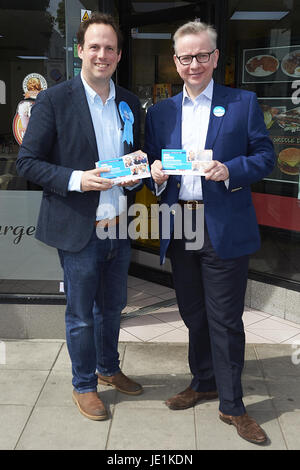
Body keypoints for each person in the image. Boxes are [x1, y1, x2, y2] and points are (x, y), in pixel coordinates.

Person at [144, 21, 275, 445]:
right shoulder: (160, 111)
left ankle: (233, 405)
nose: (194, 63)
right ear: (176, 62)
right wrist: (156, 174)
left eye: (202, 55)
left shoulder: (243, 102)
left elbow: (265, 157)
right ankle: (203, 381)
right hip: (181, 224)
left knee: (225, 318)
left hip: (224, 224)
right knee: (193, 313)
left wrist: (230, 169)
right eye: (185, 57)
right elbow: (152, 169)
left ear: (216, 58)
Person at [17, 12, 143, 421]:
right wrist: (76, 179)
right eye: (94, 46)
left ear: (119, 55)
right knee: (81, 314)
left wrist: (139, 173)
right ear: (80, 51)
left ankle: (108, 368)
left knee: (113, 308)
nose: (102, 54)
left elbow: (134, 158)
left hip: (119, 226)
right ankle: (84, 384)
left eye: (109, 48)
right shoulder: (54, 100)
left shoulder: (129, 102)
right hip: (79, 228)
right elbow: (28, 162)